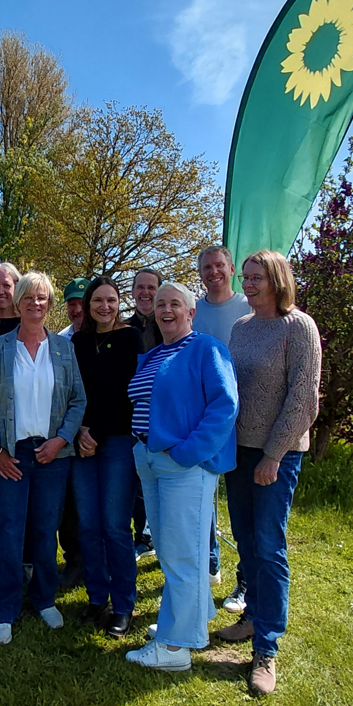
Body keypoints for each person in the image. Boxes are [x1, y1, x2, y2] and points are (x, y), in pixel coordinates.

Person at [217, 250, 322, 696]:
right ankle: (253, 617)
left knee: (269, 545)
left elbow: (304, 400)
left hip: (276, 455)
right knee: (245, 538)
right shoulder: (241, 328)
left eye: (257, 277)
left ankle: (267, 649)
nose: (249, 284)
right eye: (246, 277)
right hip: (239, 452)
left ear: (278, 279)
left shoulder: (299, 327)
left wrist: (274, 455)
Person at [125, 281, 238, 672]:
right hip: (150, 460)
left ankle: (174, 648)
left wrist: (189, 453)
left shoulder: (206, 348)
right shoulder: (155, 353)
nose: (166, 310)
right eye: (160, 305)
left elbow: (224, 406)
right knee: (174, 548)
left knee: (181, 553)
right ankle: (192, 616)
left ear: (191, 313)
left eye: (176, 304)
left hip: (183, 465)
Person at [0, 272, 86, 646]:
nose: (35, 304)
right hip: (11, 453)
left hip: (52, 454)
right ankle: (5, 609)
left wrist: (60, 441)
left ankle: (43, 598)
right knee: (8, 531)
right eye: (29, 298)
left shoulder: (63, 348)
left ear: (49, 304)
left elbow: (77, 401)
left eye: (43, 298)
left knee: (45, 529)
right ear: (18, 301)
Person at [71, 278, 143, 637]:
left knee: (115, 525)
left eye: (111, 300)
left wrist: (94, 434)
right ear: (87, 304)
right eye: (97, 300)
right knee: (88, 525)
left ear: (119, 303)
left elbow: (124, 393)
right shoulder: (78, 342)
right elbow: (71, 391)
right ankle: (97, 598)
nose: (104, 306)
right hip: (82, 443)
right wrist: (79, 432)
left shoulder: (131, 339)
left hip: (116, 442)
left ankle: (123, 604)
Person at [194, 246, 252, 610]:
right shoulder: (193, 311)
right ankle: (206, 567)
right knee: (202, 503)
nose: (213, 272)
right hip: (204, 423)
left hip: (246, 421)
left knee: (244, 510)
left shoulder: (249, 308)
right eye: (206, 267)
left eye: (219, 266)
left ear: (231, 269)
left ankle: (244, 583)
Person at [54, 276, 90, 589]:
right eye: (72, 303)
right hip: (68, 434)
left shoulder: (108, 337)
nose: (77, 309)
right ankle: (74, 562)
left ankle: (98, 564)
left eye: (82, 302)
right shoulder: (61, 341)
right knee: (68, 506)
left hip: (102, 437)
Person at [127, 267, 163, 559]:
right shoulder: (124, 328)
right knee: (137, 480)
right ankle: (142, 536)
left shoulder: (170, 327)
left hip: (165, 418)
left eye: (152, 287)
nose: (145, 293)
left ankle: (156, 537)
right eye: (140, 287)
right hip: (130, 417)